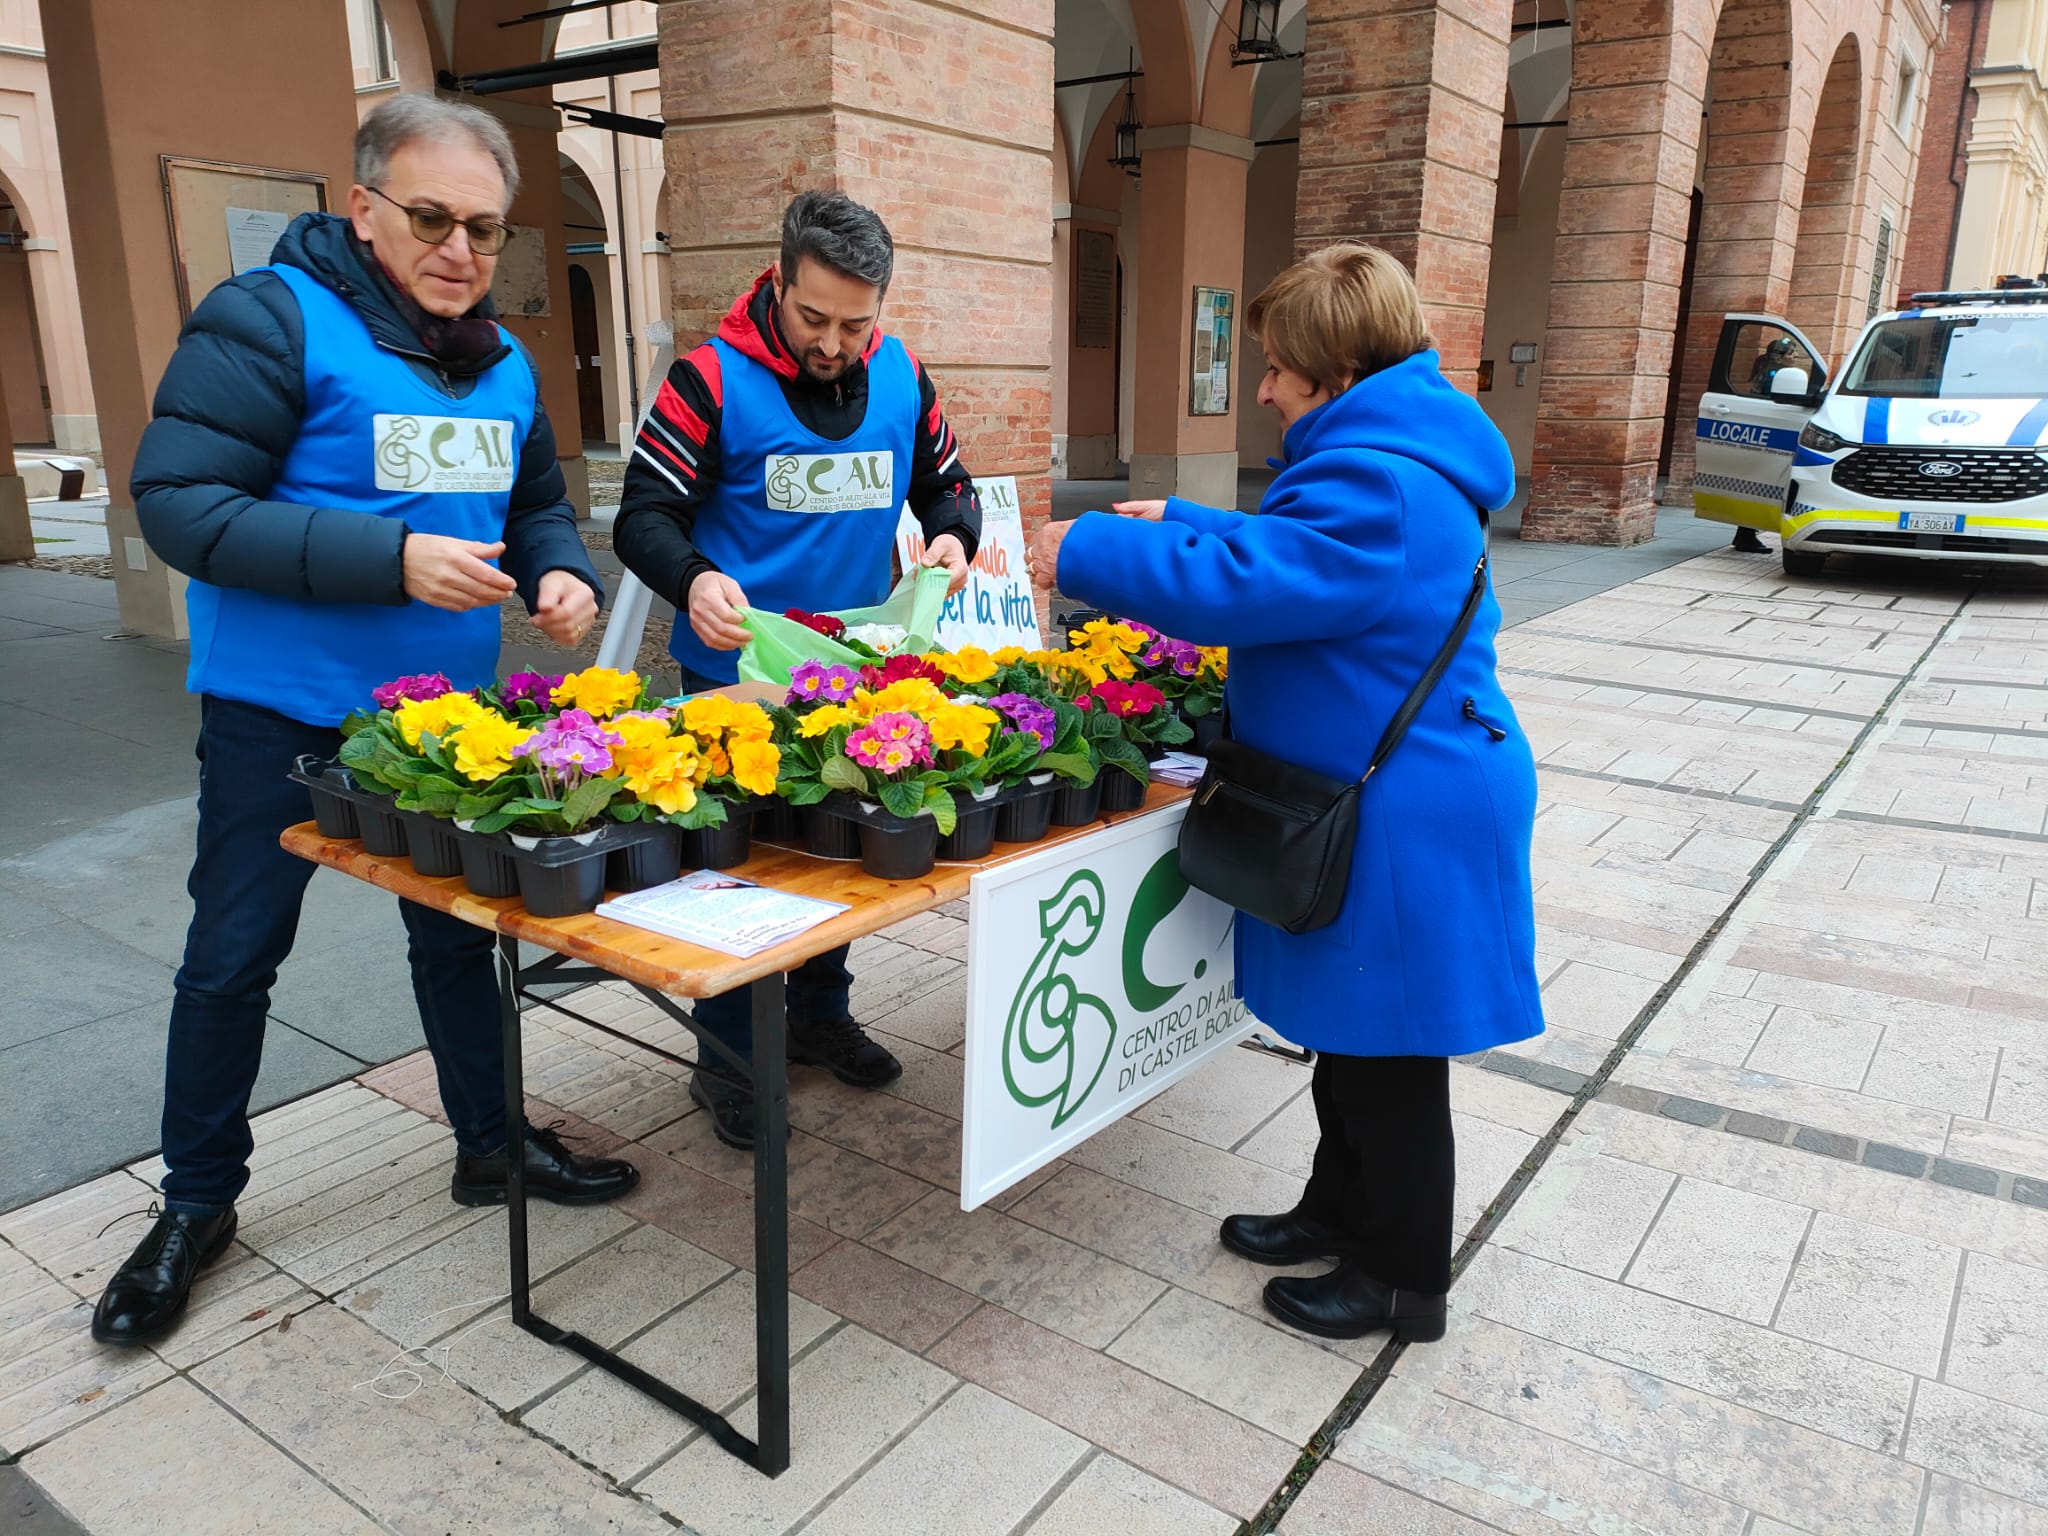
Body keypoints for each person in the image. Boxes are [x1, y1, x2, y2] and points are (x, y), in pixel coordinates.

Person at [95, 95, 640, 1349]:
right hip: (278, 717)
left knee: (459, 943)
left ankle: (491, 1147)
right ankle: (193, 1206)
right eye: (432, 218)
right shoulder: (268, 320)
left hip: (442, 726)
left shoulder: (500, 360)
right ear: (364, 211)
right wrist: (386, 560)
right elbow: (180, 503)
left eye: (485, 229)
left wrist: (563, 573)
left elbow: (536, 505)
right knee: (233, 957)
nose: (459, 251)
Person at [1028, 243, 1544, 1343]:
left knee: (1389, 1059)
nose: (1260, 388)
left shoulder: (1378, 480)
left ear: (1337, 376)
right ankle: (1335, 1211)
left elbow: (1251, 586)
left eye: (1276, 370)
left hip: (1404, 808)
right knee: (1348, 1036)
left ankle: (1399, 1280)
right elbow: (1282, 546)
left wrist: (1080, 553)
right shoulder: (1383, 456)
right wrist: (1173, 519)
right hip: (1382, 792)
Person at [615, 190, 980, 1149]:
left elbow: (949, 484)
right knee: (737, 869)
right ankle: (728, 1055)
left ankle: (822, 1016)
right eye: (814, 317)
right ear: (778, 281)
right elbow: (642, 515)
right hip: (733, 671)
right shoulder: (708, 379)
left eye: (856, 323)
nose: (833, 343)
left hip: (854, 670)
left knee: (837, 850)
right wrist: (691, 579)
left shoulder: (899, 372)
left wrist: (951, 540)